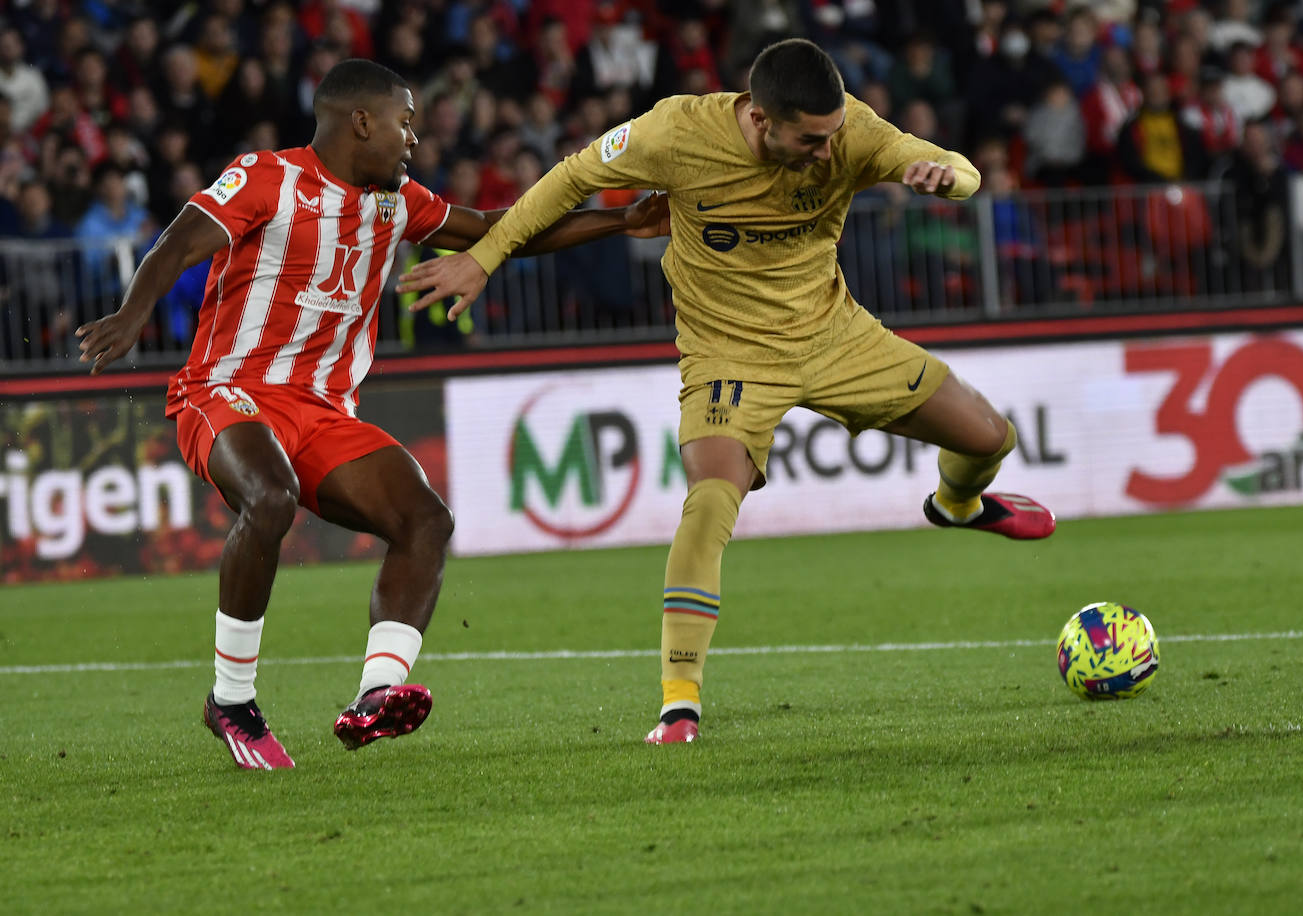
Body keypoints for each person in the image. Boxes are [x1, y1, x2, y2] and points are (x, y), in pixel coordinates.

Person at [398, 39, 1055, 746]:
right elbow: (570, 178)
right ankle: (679, 705)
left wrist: (945, 179)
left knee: (991, 437)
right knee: (710, 501)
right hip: (728, 357)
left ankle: (956, 504)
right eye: (810, 139)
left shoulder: (850, 130)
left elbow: (957, 169)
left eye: (833, 136)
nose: (826, 152)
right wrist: (482, 258)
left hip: (836, 336)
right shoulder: (676, 133)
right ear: (762, 118)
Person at [75, 59, 668, 770]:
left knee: (425, 520)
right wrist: (133, 315)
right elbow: (179, 241)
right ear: (362, 122)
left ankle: (376, 696)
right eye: (405, 122)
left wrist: (617, 220)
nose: (413, 137)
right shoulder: (267, 176)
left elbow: (496, 229)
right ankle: (231, 700)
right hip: (226, 391)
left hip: (323, 410)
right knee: (269, 498)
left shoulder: (398, 201)